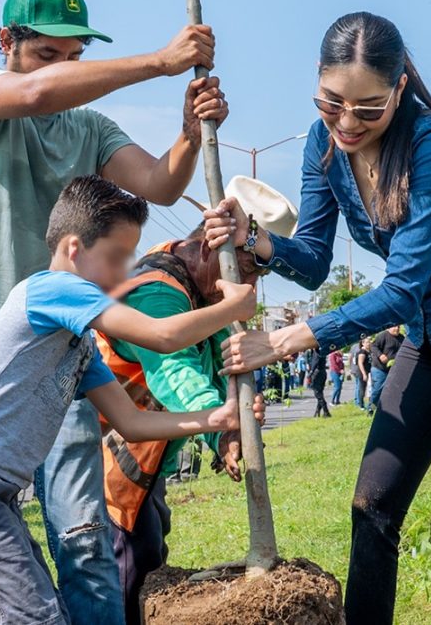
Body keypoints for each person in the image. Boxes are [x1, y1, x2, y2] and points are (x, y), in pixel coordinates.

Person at [205, 12, 431, 624]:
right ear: (317, 80)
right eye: (332, 102)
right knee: (373, 505)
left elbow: (401, 291)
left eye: (368, 109)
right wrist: (255, 239)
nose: (346, 123)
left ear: (399, 88)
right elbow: (311, 262)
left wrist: (287, 340)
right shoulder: (323, 144)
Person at [0, 0, 229, 624]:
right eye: (47, 53)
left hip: (59, 351)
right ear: (6, 42)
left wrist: (189, 130)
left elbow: (161, 184)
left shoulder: (88, 126)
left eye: (74, 57)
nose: (61, 70)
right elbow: (30, 95)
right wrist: (158, 62)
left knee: (85, 537)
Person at [0, 176, 258, 625]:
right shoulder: (52, 288)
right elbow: (163, 335)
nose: (124, 273)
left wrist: (218, 418)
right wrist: (236, 305)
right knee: (34, 618)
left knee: (42, 612)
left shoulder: (76, 344)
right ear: (74, 249)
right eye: (116, 258)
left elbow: (131, 422)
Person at [90, 179, 291, 622]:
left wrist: (231, 429)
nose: (251, 286)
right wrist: (222, 425)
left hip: (148, 463)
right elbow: (177, 374)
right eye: (244, 270)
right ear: (207, 250)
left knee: (148, 551)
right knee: (125, 573)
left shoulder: (200, 285)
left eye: (259, 273)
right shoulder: (157, 291)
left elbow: (221, 360)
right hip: (107, 468)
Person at [369, 325, 403, 412]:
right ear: (389, 328)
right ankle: (371, 408)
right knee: (378, 388)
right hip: (379, 368)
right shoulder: (383, 335)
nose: (397, 328)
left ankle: (386, 408)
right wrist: (380, 355)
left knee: (391, 389)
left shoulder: (401, 338)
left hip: (392, 369)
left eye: (398, 327)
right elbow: (373, 346)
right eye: (395, 327)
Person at [310, 348, 331, 418]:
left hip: (317, 372)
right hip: (323, 372)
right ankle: (317, 411)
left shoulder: (316, 352)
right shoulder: (323, 351)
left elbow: (315, 363)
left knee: (317, 393)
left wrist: (310, 373)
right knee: (320, 392)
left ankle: (326, 411)